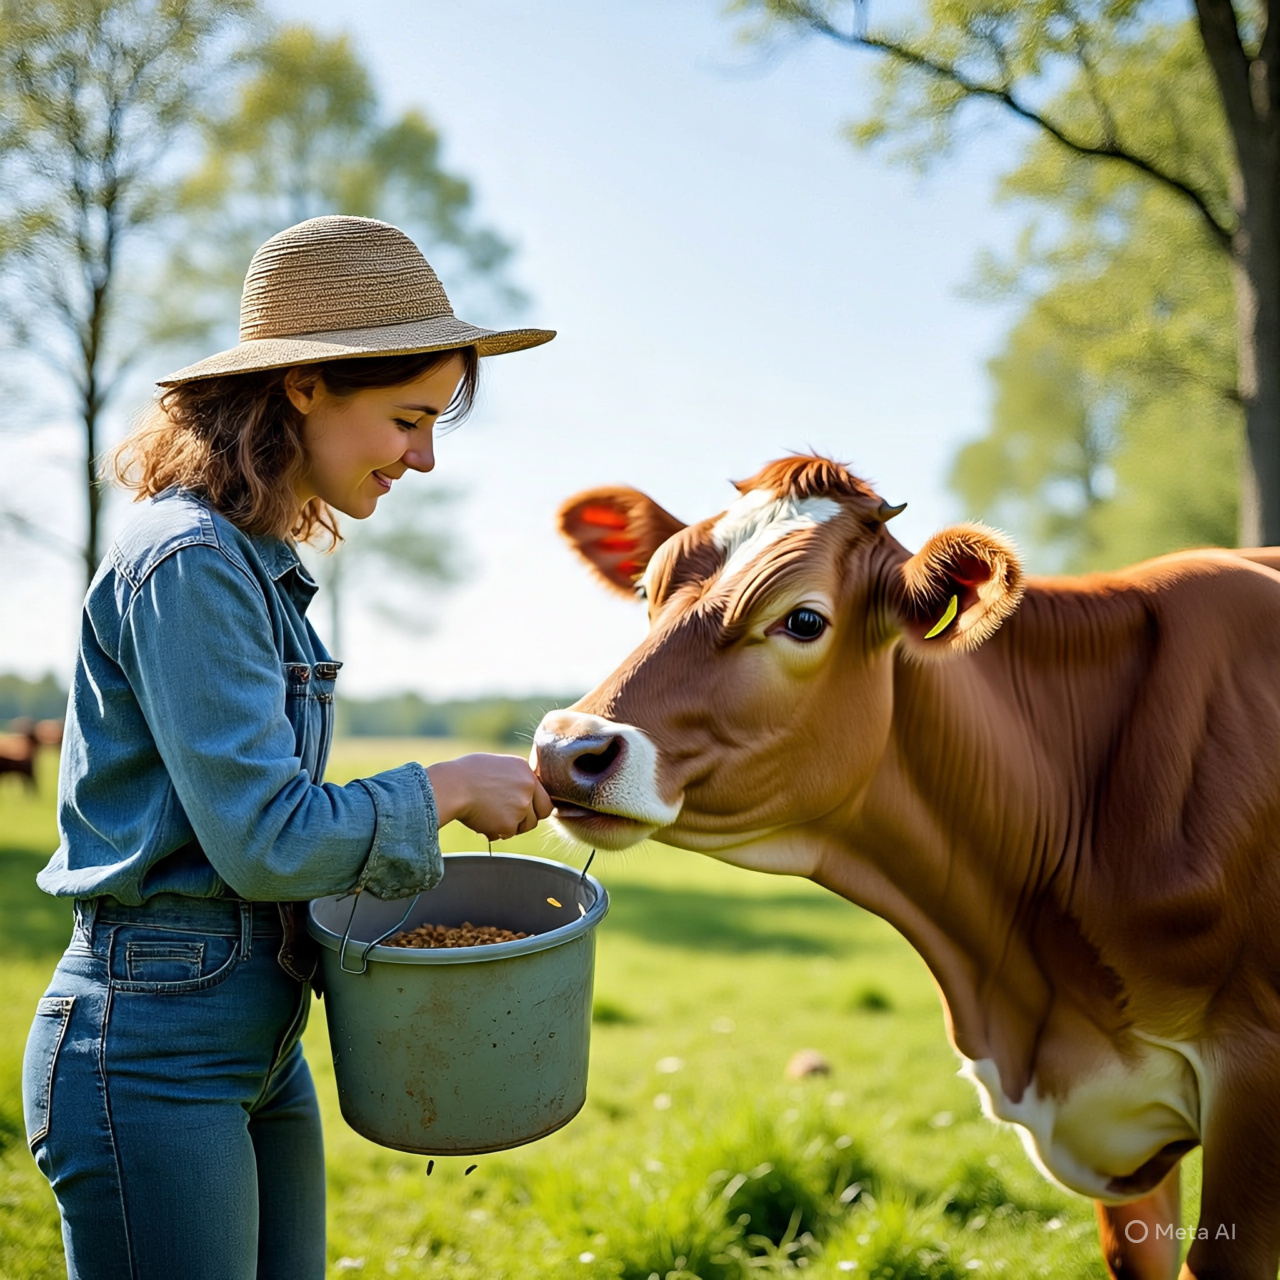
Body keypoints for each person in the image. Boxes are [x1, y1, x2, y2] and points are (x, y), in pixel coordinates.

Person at [21, 215, 556, 1280]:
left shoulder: (254, 563)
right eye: (408, 416)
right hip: (153, 1045)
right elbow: (264, 838)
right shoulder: (188, 562)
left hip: (258, 1041)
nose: (425, 455)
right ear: (304, 385)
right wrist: (443, 787)